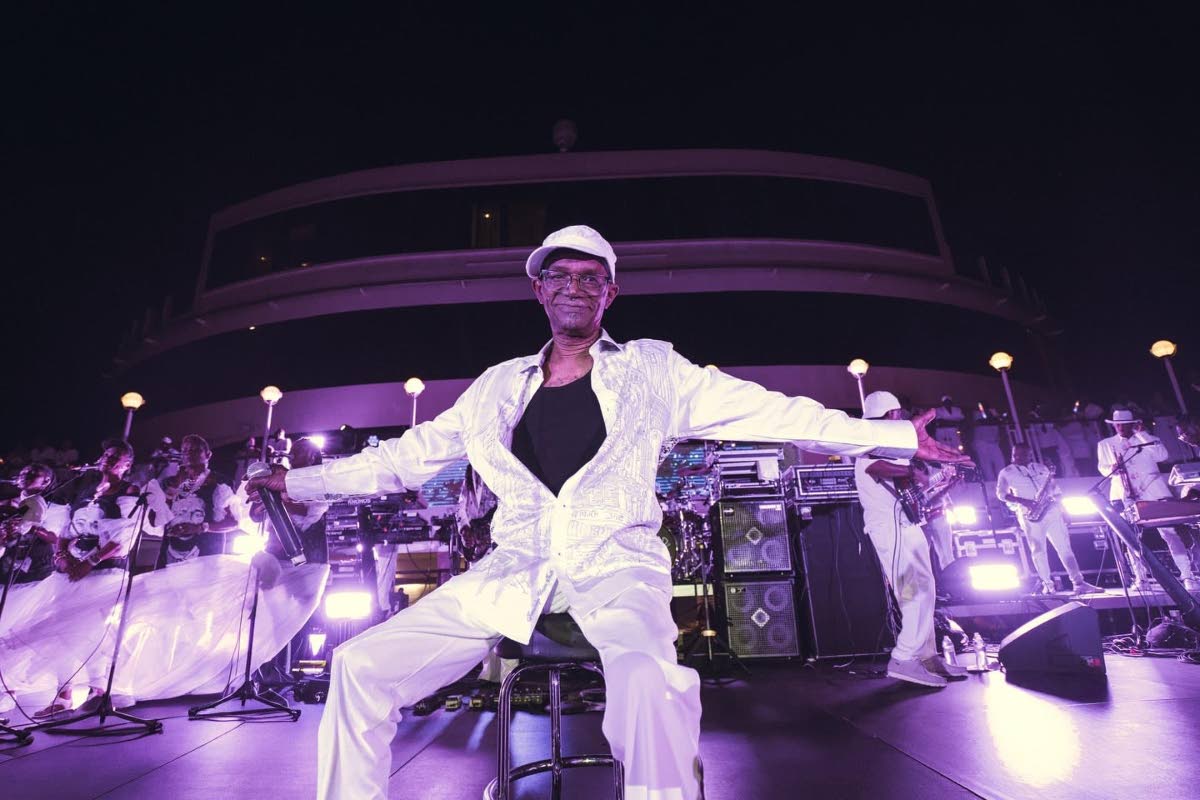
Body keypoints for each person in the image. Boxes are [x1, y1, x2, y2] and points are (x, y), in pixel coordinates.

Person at [247, 224, 966, 800]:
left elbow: (771, 409)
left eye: (589, 278)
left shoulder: (653, 370)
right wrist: (301, 483)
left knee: (651, 687)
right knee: (359, 666)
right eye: (559, 276)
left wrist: (895, 435)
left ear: (609, 294)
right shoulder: (497, 388)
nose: (573, 288)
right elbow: (401, 459)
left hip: (617, 572)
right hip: (514, 573)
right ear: (538, 290)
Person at [854, 391, 969, 688]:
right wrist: (914, 471)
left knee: (927, 591)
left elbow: (913, 494)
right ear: (886, 415)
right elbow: (874, 468)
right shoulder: (868, 443)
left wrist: (942, 483)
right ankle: (903, 657)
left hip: (908, 525)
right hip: (888, 529)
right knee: (912, 593)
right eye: (896, 413)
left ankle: (927, 656)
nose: (901, 417)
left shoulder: (893, 448)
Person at [1098, 409, 1198, 591]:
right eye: (1117, 424)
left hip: (1153, 490)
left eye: (1124, 424)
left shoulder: (1147, 439)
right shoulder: (1106, 444)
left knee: (1170, 534)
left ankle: (1187, 576)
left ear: (1132, 424)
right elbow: (1103, 469)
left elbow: (1163, 456)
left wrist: (1142, 434)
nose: (1120, 427)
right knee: (1131, 538)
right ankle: (1140, 579)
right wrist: (1111, 467)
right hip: (1124, 493)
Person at [996, 444, 1102, 595]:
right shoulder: (1006, 472)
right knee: (1038, 551)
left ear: (1030, 455)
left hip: (1051, 511)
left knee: (1065, 547)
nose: (1017, 458)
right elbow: (1001, 494)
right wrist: (1024, 501)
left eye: (1022, 455)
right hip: (1029, 514)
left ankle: (1079, 583)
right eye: (1015, 455)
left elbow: (1054, 489)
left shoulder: (1041, 468)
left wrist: (1063, 509)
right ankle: (1048, 585)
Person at [153, 434, 239, 567]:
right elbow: (156, 519)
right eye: (185, 450)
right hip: (169, 559)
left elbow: (233, 522)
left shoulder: (220, 483)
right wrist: (172, 490)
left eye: (195, 450)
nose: (189, 454)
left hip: (205, 560)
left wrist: (200, 527)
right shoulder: (171, 482)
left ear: (208, 454)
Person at [0, 462, 56, 584]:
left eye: (33, 473)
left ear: (46, 482)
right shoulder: (14, 502)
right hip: (8, 566)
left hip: (34, 570)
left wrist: (27, 528)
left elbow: (54, 538)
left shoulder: (48, 505)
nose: (25, 475)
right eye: (23, 473)